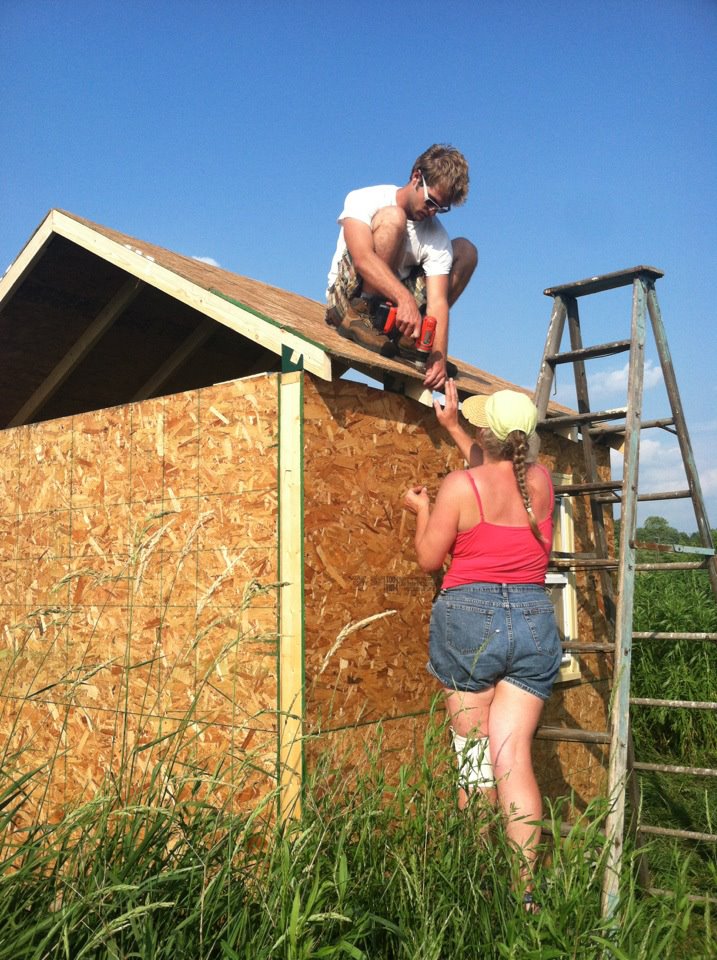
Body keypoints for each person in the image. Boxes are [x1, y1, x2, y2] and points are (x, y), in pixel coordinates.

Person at [403, 383, 562, 909]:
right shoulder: (540, 481)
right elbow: (500, 472)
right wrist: (453, 427)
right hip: (535, 618)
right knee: (512, 757)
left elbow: (430, 559)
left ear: (484, 434)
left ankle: (476, 888)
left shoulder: (457, 487)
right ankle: (525, 895)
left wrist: (421, 509)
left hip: (471, 619)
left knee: (473, 761)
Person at [325, 144, 478, 392]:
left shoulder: (435, 235)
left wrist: (437, 355)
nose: (432, 212)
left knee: (466, 251)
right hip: (350, 298)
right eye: (431, 202)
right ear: (417, 177)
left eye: (441, 208)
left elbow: (438, 302)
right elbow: (363, 258)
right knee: (394, 218)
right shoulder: (365, 198)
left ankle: (410, 342)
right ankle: (363, 313)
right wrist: (404, 298)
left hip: (394, 309)